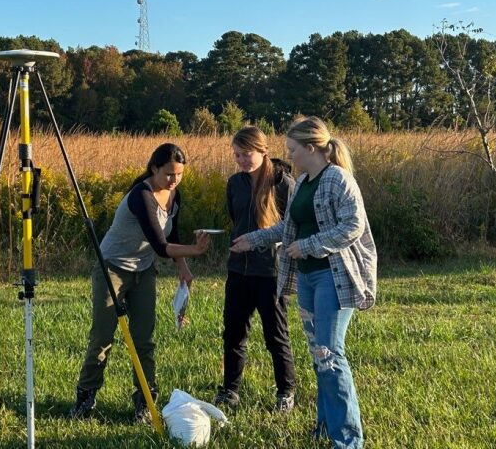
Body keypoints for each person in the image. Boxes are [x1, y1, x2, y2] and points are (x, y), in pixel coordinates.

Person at [231, 117, 377, 448]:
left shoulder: (338, 180)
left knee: (330, 354)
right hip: (309, 280)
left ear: (311, 148)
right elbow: (288, 229)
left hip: (333, 277)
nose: (289, 155)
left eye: (293, 150)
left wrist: (309, 246)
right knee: (319, 355)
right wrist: (252, 239)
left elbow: (352, 226)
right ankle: (325, 428)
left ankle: (347, 439)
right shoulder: (304, 182)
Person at [68, 143, 211, 422]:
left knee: (144, 339)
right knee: (102, 337)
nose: (174, 180)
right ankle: (85, 398)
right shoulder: (141, 196)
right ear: (154, 169)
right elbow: (160, 245)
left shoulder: (174, 195)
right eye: (169, 174)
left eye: (180, 174)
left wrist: (183, 267)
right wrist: (195, 250)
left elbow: (174, 235)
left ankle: (145, 402)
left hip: (143, 270)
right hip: (112, 268)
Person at [214, 126, 297, 412]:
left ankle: (286, 391)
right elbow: (234, 217)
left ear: (263, 151)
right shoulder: (234, 183)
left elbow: (292, 227)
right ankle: (229, 390)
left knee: (275, 335)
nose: (241, 160)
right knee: (234, 332)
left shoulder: (283, 183)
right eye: (237, 155)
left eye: (246, 154)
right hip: (238, 270)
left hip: (270, 272)